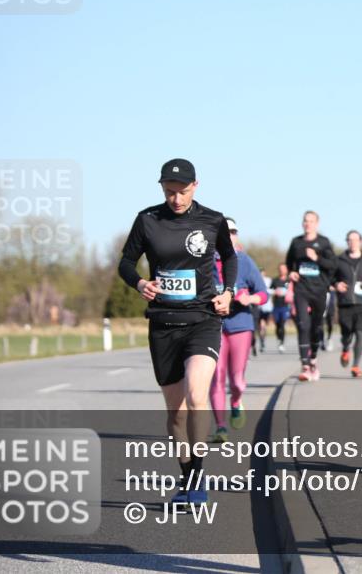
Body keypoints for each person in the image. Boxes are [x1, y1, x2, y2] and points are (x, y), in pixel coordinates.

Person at [117, 158, 236, 505]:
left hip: (202, 319)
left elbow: (229, 257)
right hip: (163, 324)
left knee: (198, 395)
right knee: (176, 413)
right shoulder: (148, 220)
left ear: (195, 186)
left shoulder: (212, 220)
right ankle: (186, 477)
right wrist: (140, 283)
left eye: (182, 192)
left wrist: (227, 291)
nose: (176, 199)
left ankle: (198, 480)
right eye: (169, 192)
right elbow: (126, 261)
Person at [210, 218, 267, 443]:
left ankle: (235, 401)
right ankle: (220, 427)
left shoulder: (244, 261)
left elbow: (263, 294)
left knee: (236, 380)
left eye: (232, 231)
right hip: (214, 327)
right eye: (224, 232)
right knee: (216, 378)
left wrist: (249, 298)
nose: (228, 235)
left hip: (241, 325)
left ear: (237, 235)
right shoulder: (206, 263)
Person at [285, 210, 337, 381]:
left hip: (320, 290)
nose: (308, 224)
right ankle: (305, 365)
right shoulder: (296, 242)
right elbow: (289, 263)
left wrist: (317, 258)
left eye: (311, 221)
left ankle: (313, 357)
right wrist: (291, 273)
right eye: (305, 221)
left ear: (317, 224)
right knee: (302, 324)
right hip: (301, 289)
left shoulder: (323, 242)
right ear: (302, 223)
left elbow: (332, 265)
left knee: (316, 326)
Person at [333, 230, 362, 377]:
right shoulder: (338, 260)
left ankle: (355, 366)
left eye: (355, 240)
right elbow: (330, 277)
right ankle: (345, 349)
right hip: (345, 303)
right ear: (347, 242)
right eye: (350, 240)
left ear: (360, 242)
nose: (352, 242)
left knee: (360, 333)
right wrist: (336, 284)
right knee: (346, 333)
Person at [271, 264, 291, 352]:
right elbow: (268, 290)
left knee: (282, 324)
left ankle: (282, 343)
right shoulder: (275, 280)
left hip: (286, 306)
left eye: (283, 269)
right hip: (276, 306)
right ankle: (279, 339)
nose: (282, 270)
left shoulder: (290, 280)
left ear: (286, 270)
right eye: (280, 269)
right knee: (277, 325)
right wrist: (274, 291)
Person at [255, 267, 273, 355]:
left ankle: (262, 340)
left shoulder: (269, 280)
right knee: (259, 325)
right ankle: (261, 341)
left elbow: (273, 289)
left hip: (267, 306)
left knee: (263, 324)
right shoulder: (255, 280)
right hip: (257, 306)